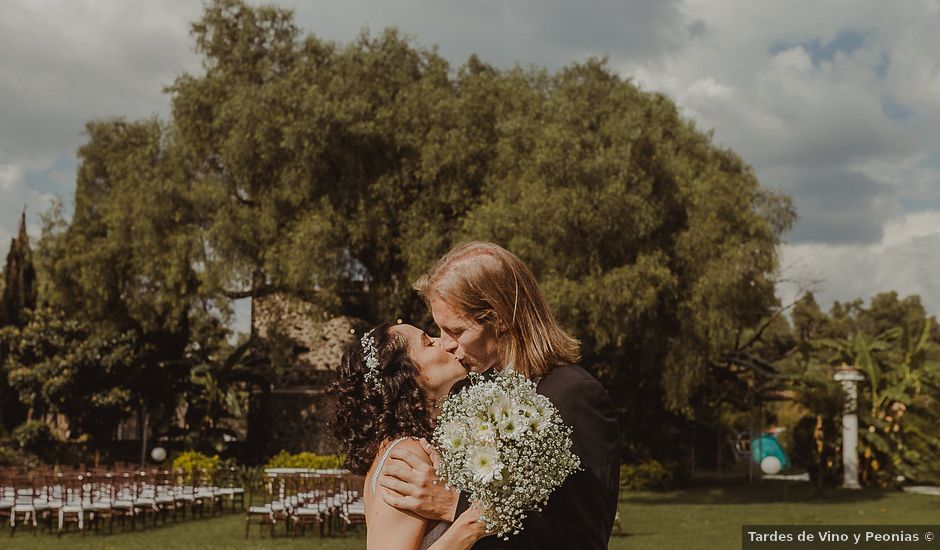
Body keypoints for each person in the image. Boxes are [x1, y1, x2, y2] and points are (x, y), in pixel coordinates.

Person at [377, 241, 621, 550]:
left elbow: (585, 540)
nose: (446, 344)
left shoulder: (574, 395)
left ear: (501, 318)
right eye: (440, 330)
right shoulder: (469, 394)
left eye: (456, 331)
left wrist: (456, 504)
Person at [330, 322, 490, 550]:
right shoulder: (406, 455)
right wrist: (470, 526)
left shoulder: (418, 445)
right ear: (405, 373)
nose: (443, 342)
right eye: (427, 343)